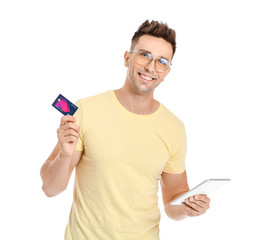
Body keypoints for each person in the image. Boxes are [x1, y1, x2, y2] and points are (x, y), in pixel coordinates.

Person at [40, 19, 210, 240]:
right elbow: (50, 189)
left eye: (162, 62)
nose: (151, 67)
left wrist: (187, 208)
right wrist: (64, 155)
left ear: (167, 72)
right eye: (144, 55)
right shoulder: (86, 110)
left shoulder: (174, 128)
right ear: (127, 58)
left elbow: (173, 202)